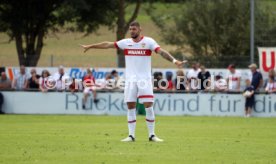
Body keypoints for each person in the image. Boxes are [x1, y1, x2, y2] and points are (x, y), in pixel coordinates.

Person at [81, 21, 187, 142]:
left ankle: (152, 135)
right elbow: (107, 44)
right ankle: (131, 135)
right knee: (130, 106)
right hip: (131, 80)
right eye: (130, 29)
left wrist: (175, 61)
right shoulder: (126, 43)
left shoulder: (148, 42)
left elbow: (161, 52)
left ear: (140, 30)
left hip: (144, 80)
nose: (132, 31)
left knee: (148, 105)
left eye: (134, 29)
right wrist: (90, 46)